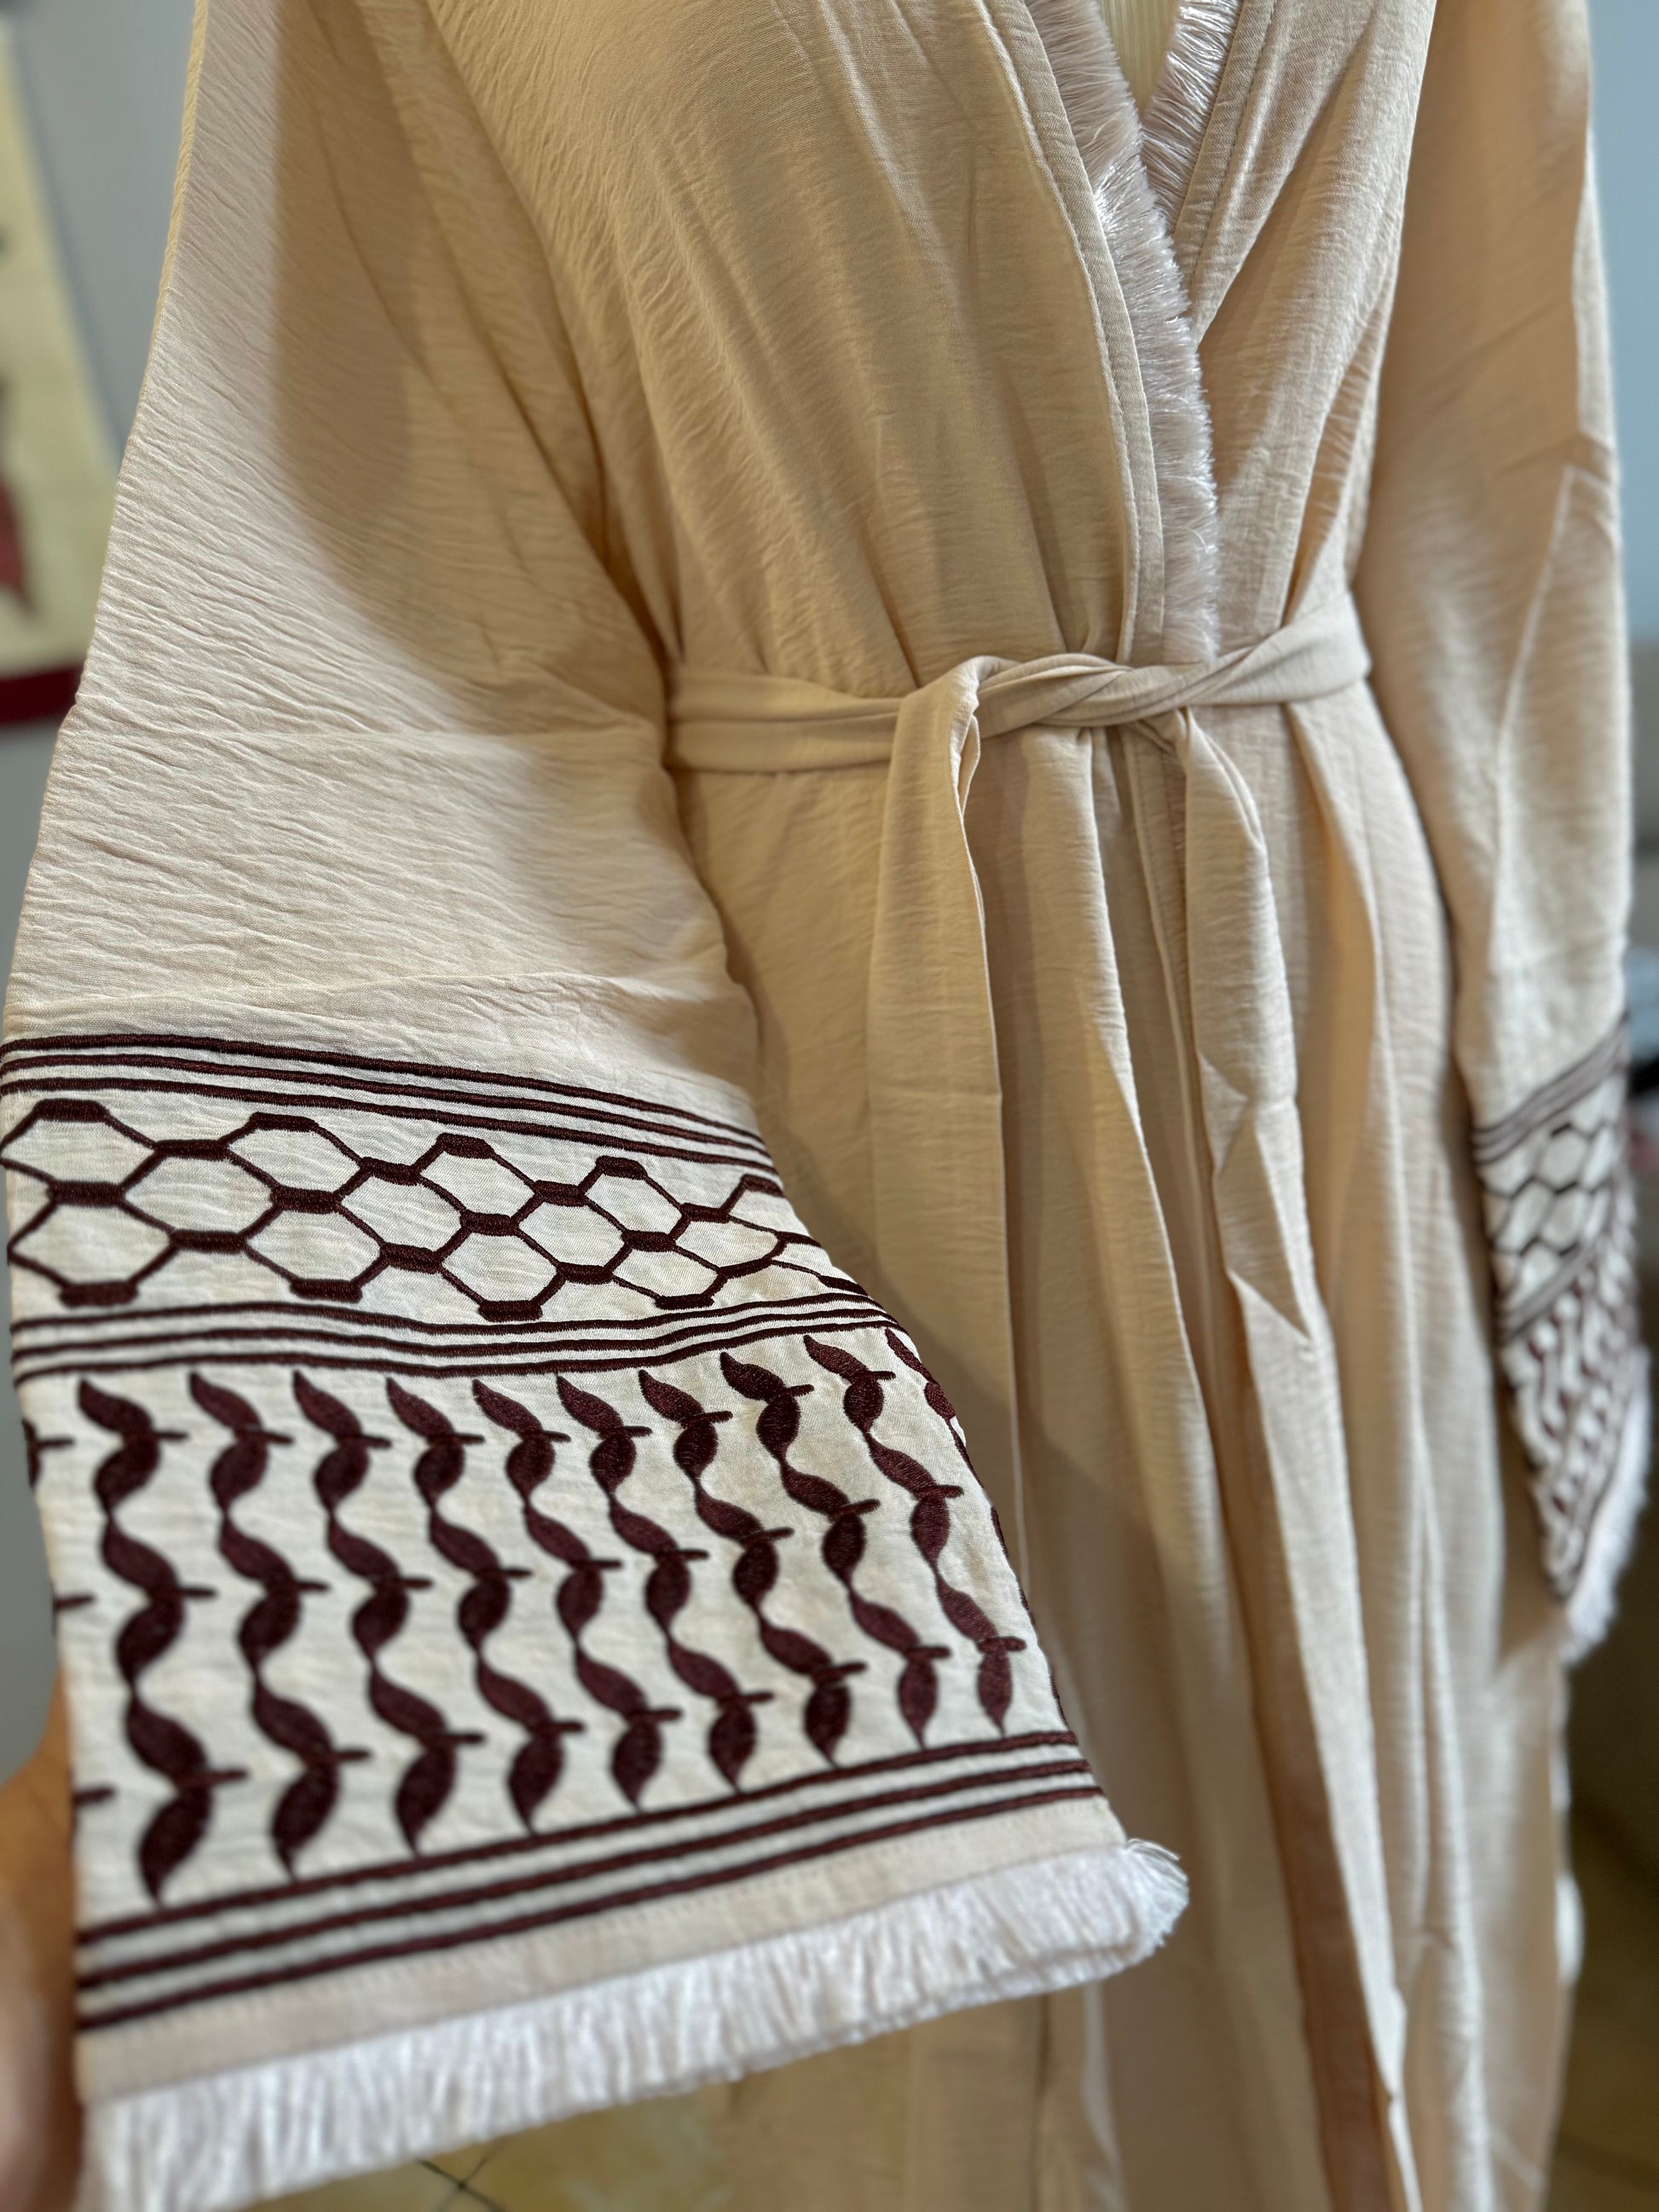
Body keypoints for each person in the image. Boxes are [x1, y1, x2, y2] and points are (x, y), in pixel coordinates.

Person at [0, 0, 1641, 2207]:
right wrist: (149, 1733)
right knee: (975, 2046)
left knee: (1422, 1799)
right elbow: (394, 637)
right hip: (855, 1049)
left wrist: (1532, 1080)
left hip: (1346, 1013)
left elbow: (1503, 467)